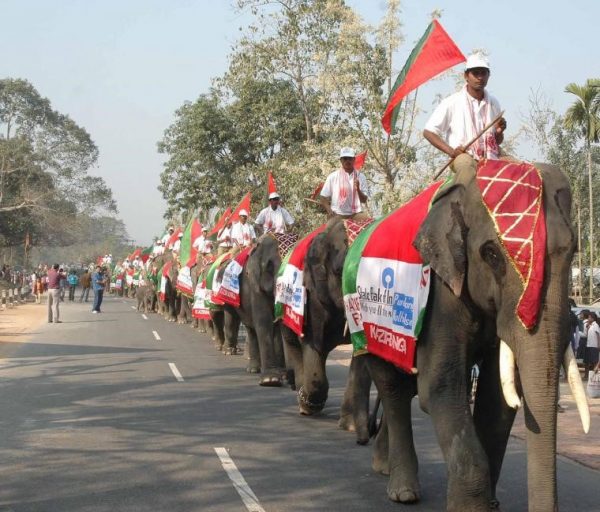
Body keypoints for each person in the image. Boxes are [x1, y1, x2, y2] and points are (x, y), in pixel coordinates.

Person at [423, 53, 507, 169]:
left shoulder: (494, 103)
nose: (480, 77)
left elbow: (497, 142)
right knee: (467, 166)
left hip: (490, 156)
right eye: (475, 73)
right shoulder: (452, 102)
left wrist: (499, 132)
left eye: (483, 73)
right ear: (466, 76)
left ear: (489, 75)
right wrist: (452, 152)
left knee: (523, 169)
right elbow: (428, 132)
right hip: (463, 157)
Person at [319, 147, 370, 220]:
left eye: (350, 158)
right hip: (337, 214)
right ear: (341, 160)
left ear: (354, 159)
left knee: (370, 225)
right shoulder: (332, 176)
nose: (347, 161)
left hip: (356, 214)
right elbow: (323, 197)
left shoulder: (361, 177)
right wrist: (329, 210)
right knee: (330, 230)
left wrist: (358, 189)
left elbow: (364, 200)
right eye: (345, 158)